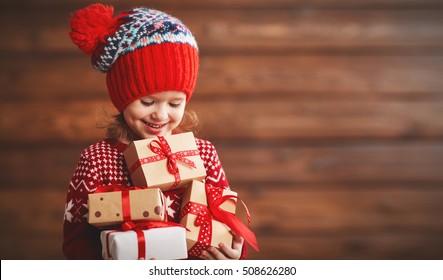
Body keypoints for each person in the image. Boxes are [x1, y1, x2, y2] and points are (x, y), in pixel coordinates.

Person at [63, 3, 247, 260]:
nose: (160, 115)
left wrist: (235, 254)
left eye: (175, 104)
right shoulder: (97, 160)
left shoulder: (202, 154)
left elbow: (227, 222)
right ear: (121, 98)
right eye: (147, 102)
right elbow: (76, 243)